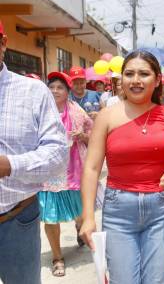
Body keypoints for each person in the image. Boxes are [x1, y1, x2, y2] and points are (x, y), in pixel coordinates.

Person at [79, 50, 164, 284]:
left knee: (157, 280)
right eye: (129, 74)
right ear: (121, 79)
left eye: (144, 74)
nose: (136, 80)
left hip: (163, 210)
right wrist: (88, 216)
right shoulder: (106, 116)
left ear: (157, 79)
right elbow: (91, 168)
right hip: (118, 211)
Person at [0, 20, 68, 284]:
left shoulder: (32, 91)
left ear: (3, 43)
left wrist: (9, 165)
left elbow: (58, 157)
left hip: (17, 218)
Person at [38, 71, 93, 277]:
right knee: (51, 218)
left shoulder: (77, 111)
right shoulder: (40, 110)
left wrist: (82, 136)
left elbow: (93, 135)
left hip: (75, 172)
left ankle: (81, 230)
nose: (54, 90)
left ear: (67, 91)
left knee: (80, 213)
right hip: (49, 174)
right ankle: (57, 257)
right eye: (51, 86)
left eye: (60, 87)